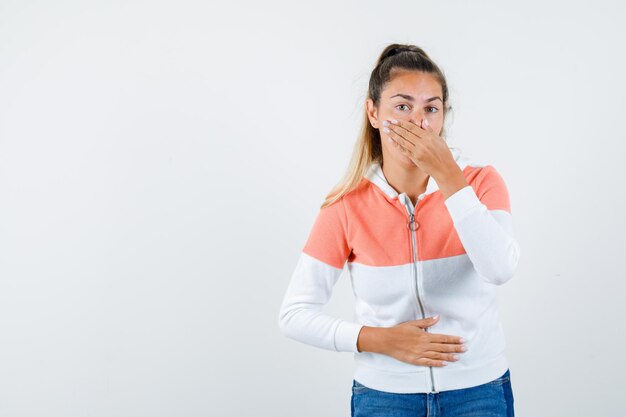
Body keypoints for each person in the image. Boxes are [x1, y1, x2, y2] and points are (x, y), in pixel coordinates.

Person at [277, 43, 520, 417]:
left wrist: (450, 179)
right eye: (403, 106)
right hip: (385, 397)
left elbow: (499, 269)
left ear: (444, 116)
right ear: (373, 113)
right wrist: (380, 340)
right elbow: (294, 314)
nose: (418, 123)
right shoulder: (346, 205)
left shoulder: (481, 183)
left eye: (431, 108)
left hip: (478, 392)